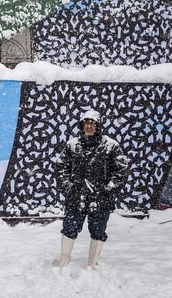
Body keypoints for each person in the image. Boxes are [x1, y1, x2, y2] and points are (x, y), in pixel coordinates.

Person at [57, 109, 130, 268]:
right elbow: (61, 167)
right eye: (86, 123)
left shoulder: (111, 145)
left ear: (98, 125)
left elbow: (122, 168)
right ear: (81, 125)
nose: (89, 126)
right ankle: (64, 258)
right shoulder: (72, 145)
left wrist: (109, 187)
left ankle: (93, 263)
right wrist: (68, 186)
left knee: (98, 230)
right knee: (69, 228)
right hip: (76, 196)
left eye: (92, 123)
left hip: (101, 197)